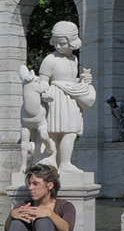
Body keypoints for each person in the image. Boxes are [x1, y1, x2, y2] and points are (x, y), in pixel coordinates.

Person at [37, 21, 95, 171]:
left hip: (70, 98)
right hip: (55, 97)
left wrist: (82, 80)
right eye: (56, 43)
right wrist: (45, 91)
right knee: (53, 130)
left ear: (72, 42)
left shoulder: (74, 59)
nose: (58, 46)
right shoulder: (50, 59)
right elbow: (43, 80)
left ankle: (65, 163)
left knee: (70, 131)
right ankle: (51, 159)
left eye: (62, 43)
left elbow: (71, 80)